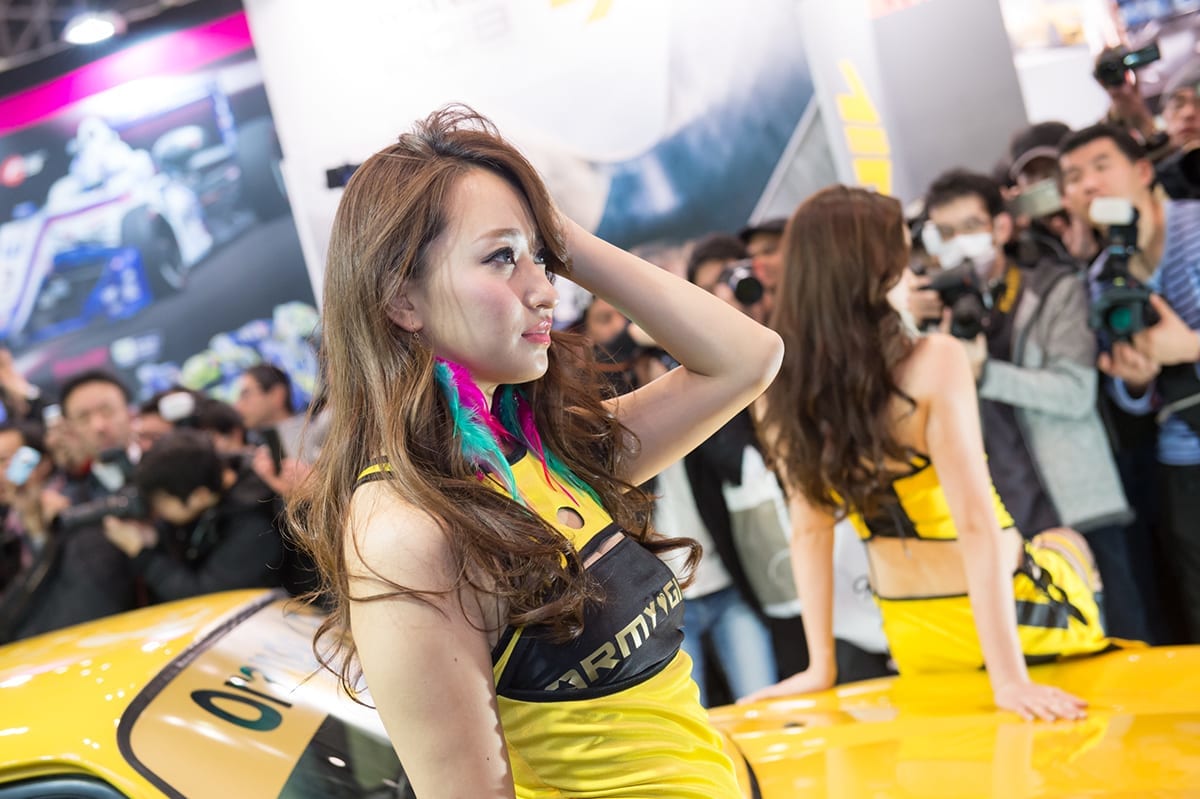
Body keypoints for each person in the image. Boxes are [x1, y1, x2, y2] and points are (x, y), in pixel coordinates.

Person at [288, 106, 782, 797]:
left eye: (543, 259)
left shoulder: (547, 458)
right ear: (402, 300)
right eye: (501, 258)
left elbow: (747, 358)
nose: (546, 289)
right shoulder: (407, 528)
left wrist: (563, 234)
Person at [746, 185, 1112, 721]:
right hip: (1014, 617)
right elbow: (976, 526)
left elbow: (809, 530)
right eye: (902, 253)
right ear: (878, 267)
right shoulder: (934, 360)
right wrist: (1009, 680)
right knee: (1069, 543)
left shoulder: (778, 386)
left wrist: (820, 667)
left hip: (911, 631)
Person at [914, 169, 1145, 642]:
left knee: (1124, 640)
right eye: (947, 232)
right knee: (1051, 659)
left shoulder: (1053, 289)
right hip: (1003, 524)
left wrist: (984, 374)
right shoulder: (930, 311)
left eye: (971, 226)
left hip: (1078, 505)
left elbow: (1075, 393)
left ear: (1001, 226)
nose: (960, 243)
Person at [1060, 123, 1200, 642]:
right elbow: (1133, 397)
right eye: (1073, 177)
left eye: (1102, 166)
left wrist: (1191, 348)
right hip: (1183, 460)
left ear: (1143, 171)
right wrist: (1135, 382)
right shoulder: (1101, 278)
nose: (1089, 184)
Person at [101, 428, 283, 603]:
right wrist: (156, 537)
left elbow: (206, 596)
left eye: (161, 502)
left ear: (200, 496)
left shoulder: (254, 524)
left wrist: (141, 553)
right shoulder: (212, 486)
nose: (156, 510)